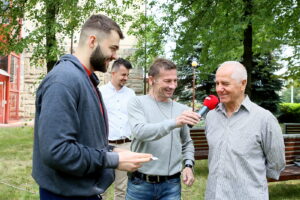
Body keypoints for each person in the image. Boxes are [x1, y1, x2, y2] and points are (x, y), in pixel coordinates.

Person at [32, 14, 152, 200]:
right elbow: (57, 151)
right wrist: (112, 159)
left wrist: (112, 151)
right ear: (92, 41)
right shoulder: (63, 80)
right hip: (65, 194)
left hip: (83, 190)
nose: (115, 56)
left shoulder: (85, 79)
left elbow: (86, 140)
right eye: (112, 48)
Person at [205, 61, 285, 200]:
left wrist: (249, 182)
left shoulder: (264, 119)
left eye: (225, 83)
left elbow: (276, 163)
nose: (219, 89)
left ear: (243, 84)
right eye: (217, 83)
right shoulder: (211, 116)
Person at [125, 58, 200, 200]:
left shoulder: (181, 109)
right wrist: (174, 122)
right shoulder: (137, 103)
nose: (173, 86)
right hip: (140, 184)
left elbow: (187, 143)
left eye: (175, 81)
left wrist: (189, 165)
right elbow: (140, 132)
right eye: (167, 81)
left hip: (171, 185)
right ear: (152, 80)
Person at [99, 58, 135, 200]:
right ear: (113, 73)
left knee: (122, 187)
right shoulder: (100, 92)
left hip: (126, 145)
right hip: (105, 146)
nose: (125, 78)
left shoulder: (131, 94)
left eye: (127, 75)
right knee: (101, 185)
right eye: (123, 74)